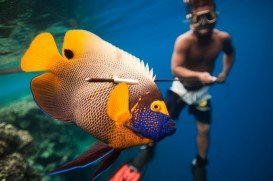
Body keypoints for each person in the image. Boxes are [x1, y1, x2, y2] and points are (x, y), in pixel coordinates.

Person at [110, 0, 235, 180]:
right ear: (190, 19)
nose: (204, 24)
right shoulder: (184, 41)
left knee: (204, 129)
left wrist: (224, 72)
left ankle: (200, 164)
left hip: (201, 93)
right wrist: (200, 76)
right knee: (159, 121)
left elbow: (230, 53)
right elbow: (176, 69)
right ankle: (147, 149)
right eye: (199, 18)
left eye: (209, 17)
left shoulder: (223, 39)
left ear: (216, 14)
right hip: (180, 90)